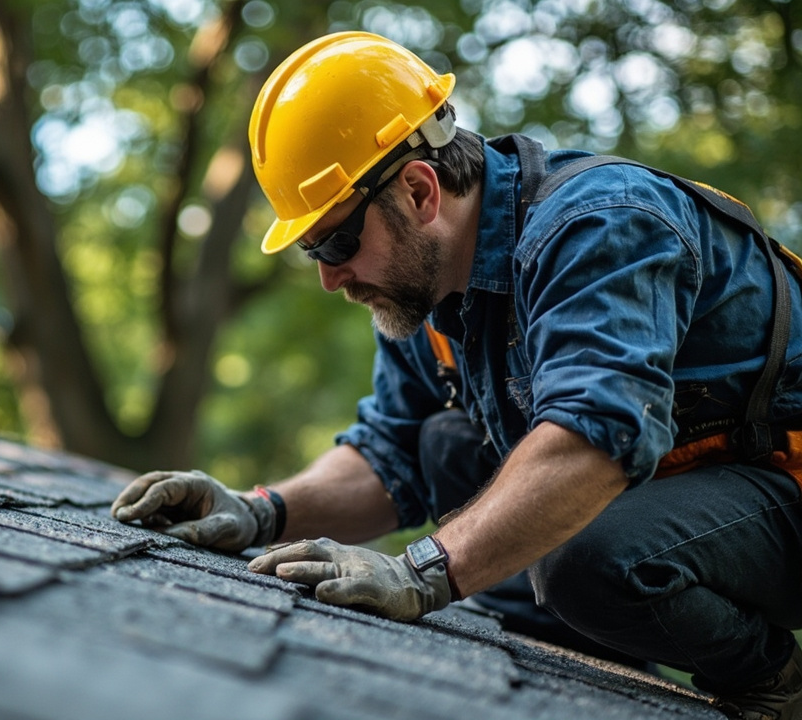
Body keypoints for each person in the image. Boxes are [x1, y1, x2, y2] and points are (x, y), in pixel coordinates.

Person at [110, 31, 802, 720]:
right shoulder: (424, 296)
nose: (327, 277)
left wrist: (420, 573)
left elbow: (597, 442)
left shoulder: (602, 225)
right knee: (444, 442)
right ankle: (556, 656)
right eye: (310, 250)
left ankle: (774, 681)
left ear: (418, 191)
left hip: (781, 492)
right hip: (676, 504)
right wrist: (259, 511)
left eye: (336, 241)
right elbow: (391, 456)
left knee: (585, 557)